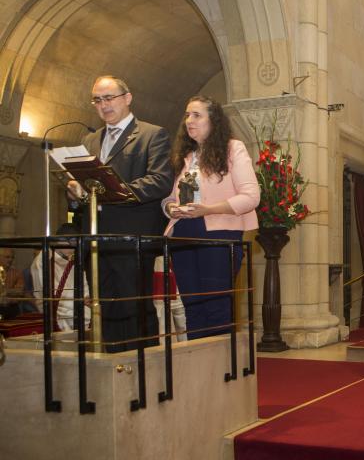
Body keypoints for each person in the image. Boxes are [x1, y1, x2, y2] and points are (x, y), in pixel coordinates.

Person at [67, 75, 173, 352]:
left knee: (134, 304)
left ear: (127, 98)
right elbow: (88, 187)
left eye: (109, 98)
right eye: (97, 100)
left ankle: (143, 367)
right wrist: (75, 191)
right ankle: (112, 365)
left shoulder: (152, 134)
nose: (103, 105)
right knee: (104, 305)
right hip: (95, 235)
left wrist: (114, 189)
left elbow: (160, 180)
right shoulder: (89, 140)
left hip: (132, 236)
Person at [163, 95, 259, 340]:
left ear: (213, 120)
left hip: (219, 234)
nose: (189, 121)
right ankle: (199, 368)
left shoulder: (232, 149)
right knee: (192, 307)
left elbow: (251, 197)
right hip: (183, 233)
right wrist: (170, 208)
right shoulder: (187, 156)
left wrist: (209, 209)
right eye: (186, 115)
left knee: (216, 307)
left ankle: (220, 372)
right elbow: (173, 197)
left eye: (196, 115)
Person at [31, 223, 91, 332]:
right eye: (72, 243)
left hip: (77, 308)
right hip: (57, 313)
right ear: (60, 240)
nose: (74, 248)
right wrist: (80, 300)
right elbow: (49, 294)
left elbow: (84, 284)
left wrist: (88, 297)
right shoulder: (44, 259)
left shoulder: (71, 259)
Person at [0, 248, 26, 319]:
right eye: (7, 257)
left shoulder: (17, 272)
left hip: (12, 308)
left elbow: (20, 292)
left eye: (12, 257)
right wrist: (11, 292)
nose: (10, 260)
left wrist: (5, 291)